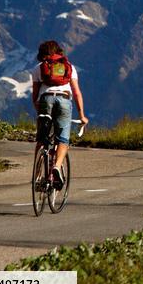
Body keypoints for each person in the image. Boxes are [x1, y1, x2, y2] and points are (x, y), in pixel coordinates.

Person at [31, 40, 89, 189]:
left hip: (46, 100)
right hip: (64, 100)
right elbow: (76, 92)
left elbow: (35, 95)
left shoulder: (38, 68)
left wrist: (40, 113)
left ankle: (37, 175)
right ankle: (56, 166)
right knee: (63, 139)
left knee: (42, 139)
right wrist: (82, 115)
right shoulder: (69, 67)